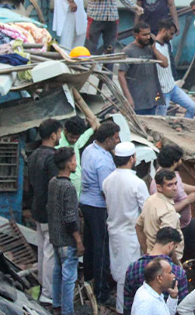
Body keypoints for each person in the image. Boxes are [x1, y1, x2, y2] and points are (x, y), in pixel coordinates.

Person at [103, 141, 150, 313]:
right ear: (132, 159)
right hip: (131, 235)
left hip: (115, 233)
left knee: (120, 274)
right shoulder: (137, 183)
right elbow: (147, 211)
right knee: (128, 277)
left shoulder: (107, 181)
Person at [80, 121, 120, 305]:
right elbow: (107, 189)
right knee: (101, 249)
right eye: (116, 138)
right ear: (108, 139)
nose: (118, 141)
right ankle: (102, 292)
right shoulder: (103, 161)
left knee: (90, 245)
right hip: (99, 207)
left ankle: (88, 279)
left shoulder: (90, 149)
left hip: (86, 203)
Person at [47, 147, 84, 315]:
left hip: (55, 236)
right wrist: (78, 240)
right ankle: (67, 311)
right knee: (69, 277)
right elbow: (70, 218)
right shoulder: (68, 188)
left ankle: (57, 305)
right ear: (69, 164)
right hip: (67, 240)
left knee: (57, 272)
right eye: (75, 160)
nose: (76, 163)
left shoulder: (53, 182)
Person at [29, 118, 62, 306]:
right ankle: (48, 293)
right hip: (49, 210)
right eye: (59, 133)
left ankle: (43, 286)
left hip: (37, 207)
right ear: (53, 135)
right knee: (50, 252)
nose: (60, 135)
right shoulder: (53, 157)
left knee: (42, 250)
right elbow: (54, 186)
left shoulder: (34, 154)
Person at [150, 144, 195, 261]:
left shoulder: (172, 175)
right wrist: (187, 201)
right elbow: (163, 210)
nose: (181, 161)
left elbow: (180, 186)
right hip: (175, 227)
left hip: (186, 224)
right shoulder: (158, 184)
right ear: (174, 162)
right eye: (179, 159)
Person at [125, 228, 189, 314]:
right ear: (171, 245)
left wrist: (173, 297)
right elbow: (183, 308)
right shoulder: (178, 272)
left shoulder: (132, 268)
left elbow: (127, 303)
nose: (173, 275)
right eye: (175, 248)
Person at [118, 22, 168, 115]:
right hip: (137, 101)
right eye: (144, 35)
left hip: (152, 99)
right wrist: (128, 98)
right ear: (136, 35)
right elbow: (121, 75)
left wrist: (154, 48)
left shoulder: (150, 48)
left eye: (149, 34)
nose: (148, 37)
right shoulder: (128, 51)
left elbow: (165, 64)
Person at [154, 18, 195, 118]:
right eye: (171, 33)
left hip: (172, 87)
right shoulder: (153, 47)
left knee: (193, 107)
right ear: (164, 31)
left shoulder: (168, 45)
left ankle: (184, 127)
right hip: (161, 91)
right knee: (160, 119)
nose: (172, 37)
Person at [137, 170, 185, 261]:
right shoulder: (168, 210)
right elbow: (168, 243)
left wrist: (147, 252)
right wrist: (177, 265)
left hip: (152, 256)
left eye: (175, 183)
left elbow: (138, 226)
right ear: (159, 187)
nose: (175, 188)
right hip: (166, 261)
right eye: (170, 185)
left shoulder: (150, 200)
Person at [56, 116, 98, 196]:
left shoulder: (75, 142)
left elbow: (84, 137)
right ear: (65, 130)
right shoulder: (58, 145)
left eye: (77, 138)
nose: (74, 140)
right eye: (72, 137)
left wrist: (93, 128)